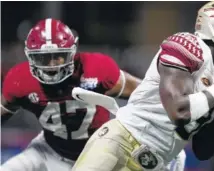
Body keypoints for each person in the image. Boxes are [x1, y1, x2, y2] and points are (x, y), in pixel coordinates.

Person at [71, 1, 214, 171]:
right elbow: (178, 110)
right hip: (119, 144)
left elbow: (203, 149)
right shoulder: (189, 47)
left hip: (155, 164)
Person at [0, 18, 143, 171]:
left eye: (58, 56)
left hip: (98, 154)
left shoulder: (96, 68)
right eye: (44, 57)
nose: (52, 65)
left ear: (72, 52)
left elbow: (146, 93)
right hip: (49, 151)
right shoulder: (20, 79)